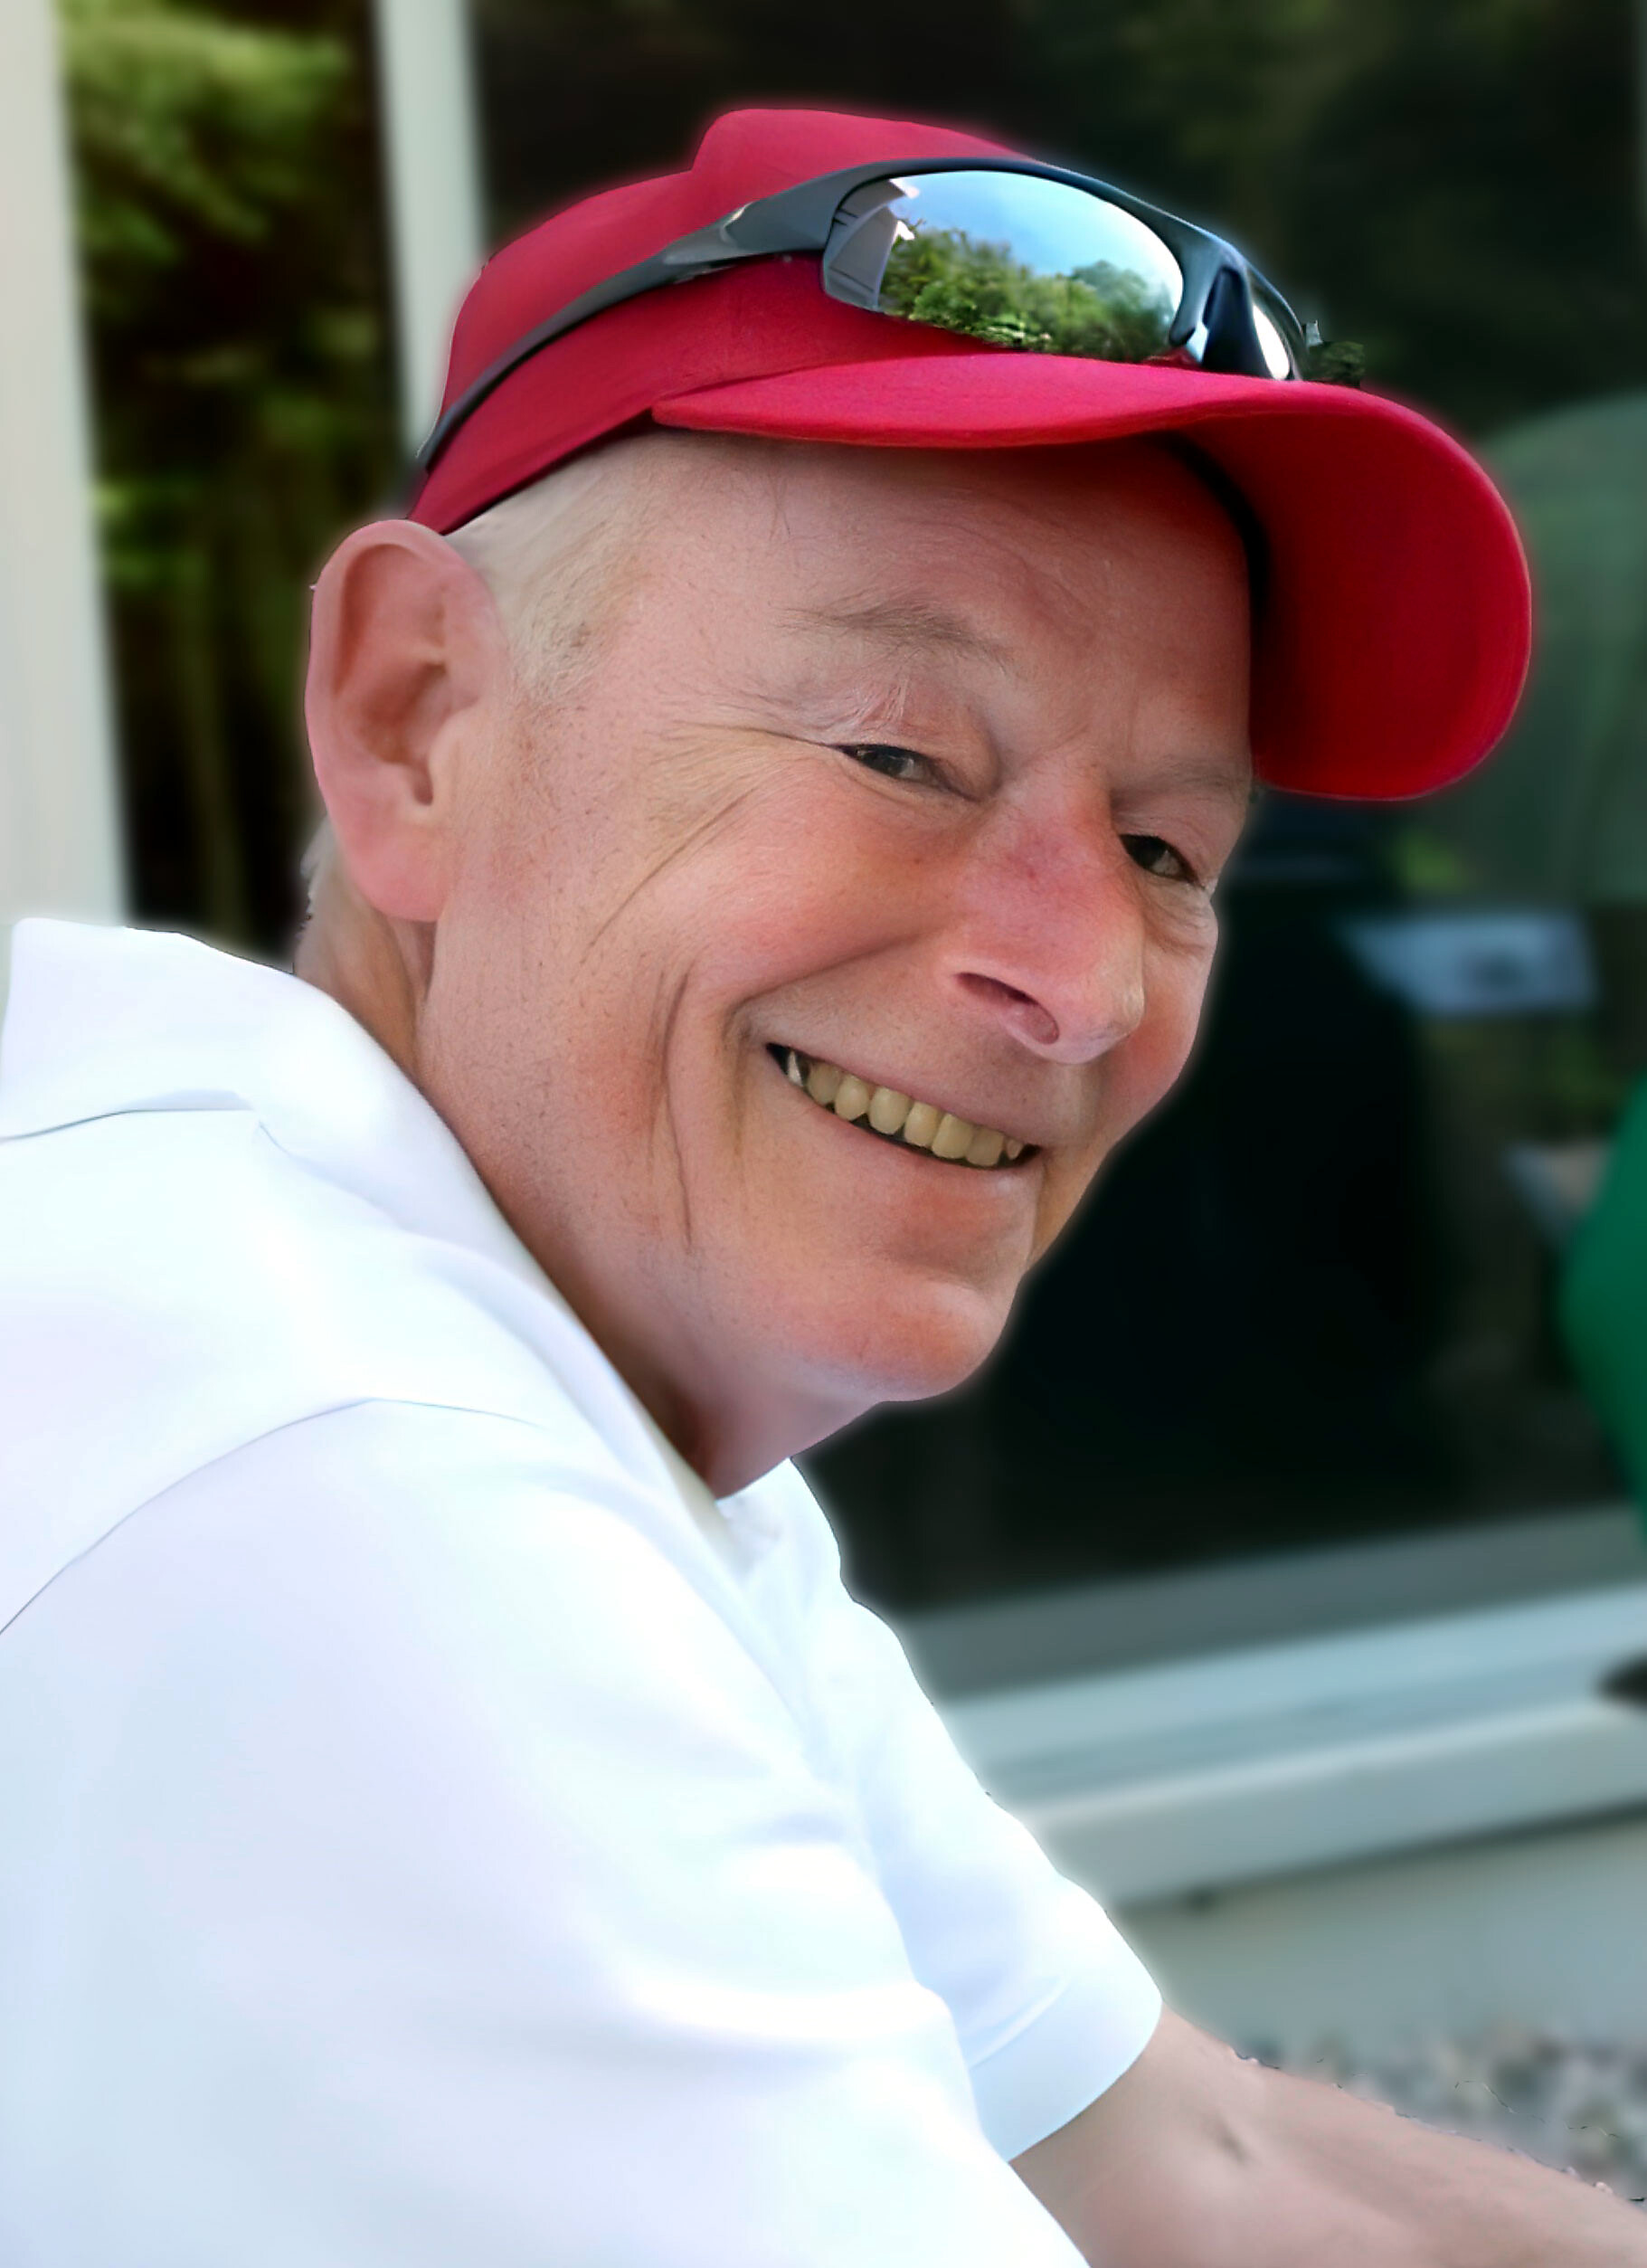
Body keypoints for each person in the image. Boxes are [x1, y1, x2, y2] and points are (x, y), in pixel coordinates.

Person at [0, 103, 1636, 2267]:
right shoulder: (339, 1478)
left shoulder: (498, 1341)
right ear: (415, 723)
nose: (1075, 980)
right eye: (896, 754)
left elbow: (1187, 2166)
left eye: (1164, 848)